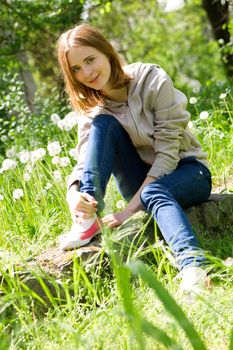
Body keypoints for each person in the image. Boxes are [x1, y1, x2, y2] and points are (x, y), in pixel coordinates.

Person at [57, 23, 212, 293]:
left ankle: (194, 268)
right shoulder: (93, 106)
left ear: (107, 52)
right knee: (102, 125)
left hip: (188, 171)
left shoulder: (151, 78)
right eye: (76, 69)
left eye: (90, 60)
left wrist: (128, 211)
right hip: (140, 179)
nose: (87, 73)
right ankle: (87, 218)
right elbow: (85, 157)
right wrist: (74, 194)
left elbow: (167, 155)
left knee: (155, 192)